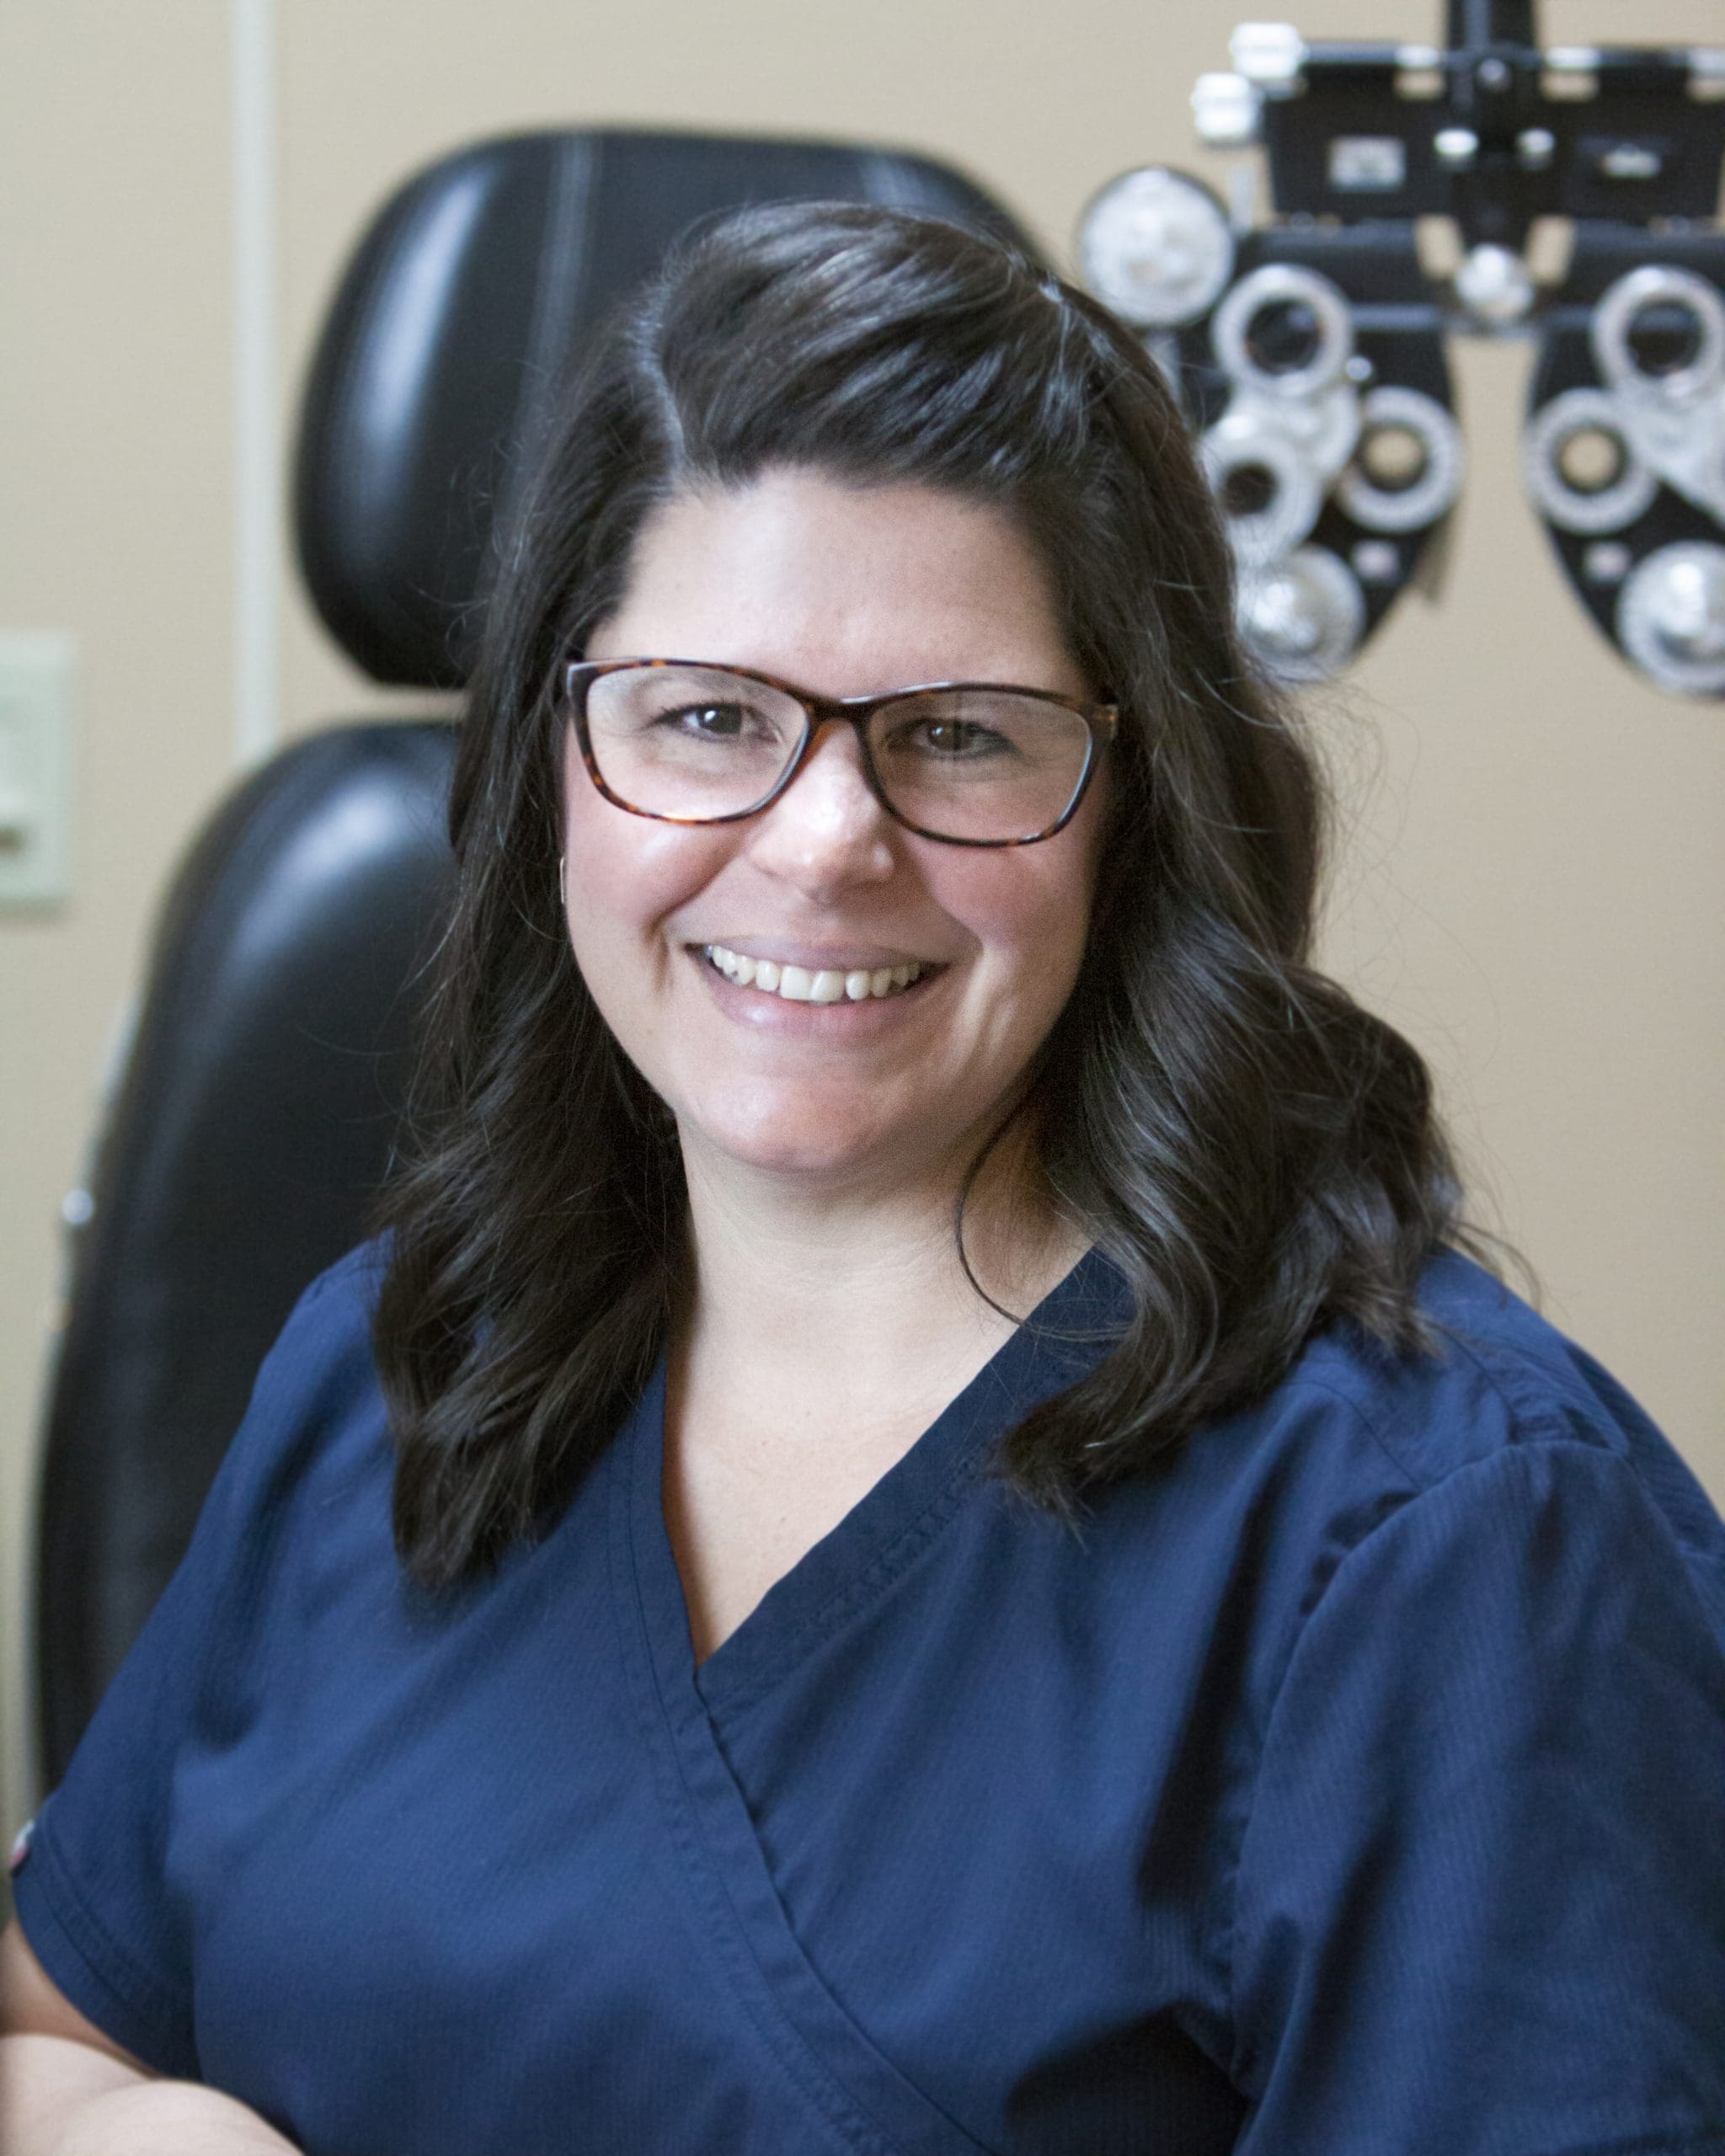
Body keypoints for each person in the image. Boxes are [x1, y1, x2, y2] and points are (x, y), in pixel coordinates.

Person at [3, 200, 1722, 2156]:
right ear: (560, 760)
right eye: (709, 717)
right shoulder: (397, 1367)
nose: (823, 841)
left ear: (1128, 800)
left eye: (959, 738)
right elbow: (53, 2025)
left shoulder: (1449, 1536)